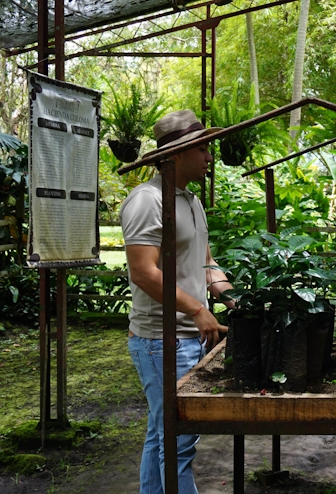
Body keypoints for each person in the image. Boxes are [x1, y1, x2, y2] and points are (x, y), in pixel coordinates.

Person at [121, 109, 233, 493]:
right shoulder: (147, 201)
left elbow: (204, 260)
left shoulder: (190, 200)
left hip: (186, 337)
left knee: (164, 434)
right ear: (176, 154)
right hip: (160, 341)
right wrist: (197, 309)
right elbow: (144, 272)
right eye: (201, 148)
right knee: (178, 440)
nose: (209, 156)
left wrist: (231, 296)